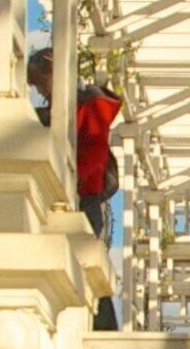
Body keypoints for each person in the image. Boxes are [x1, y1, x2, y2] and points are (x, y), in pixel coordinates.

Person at [29, 50, 127, 330]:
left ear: (53, 74)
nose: (40, 91)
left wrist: (70, 183)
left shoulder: (87, 106)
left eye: (40, 83)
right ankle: (100, 328)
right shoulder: (76, 106)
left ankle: (102, 329)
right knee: (86, 261)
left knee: (85, 261)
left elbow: (90, 156)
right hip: (81, 195)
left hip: (81, 197)